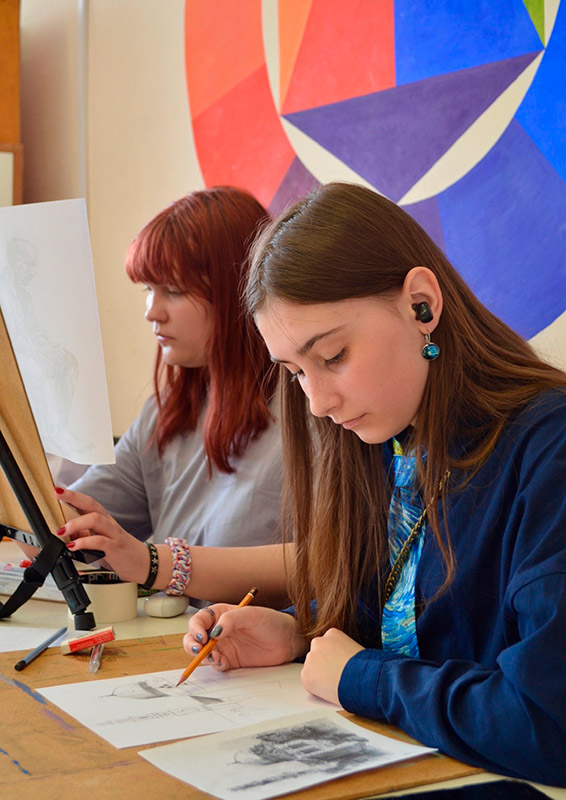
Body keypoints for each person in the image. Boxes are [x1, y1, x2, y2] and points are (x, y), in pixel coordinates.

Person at [181, 182, 566, 786]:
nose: (317, 402)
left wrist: (362, 677)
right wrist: (301, 632)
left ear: (421, 305)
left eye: (333, 356)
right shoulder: (395, 438)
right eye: (295, 372)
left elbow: (549, 722)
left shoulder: (550, 447)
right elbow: (412, 620)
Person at [54, 186, 284, 602]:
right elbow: (60, 533)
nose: (151, 312)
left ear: (239, 290)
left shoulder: (311, 407)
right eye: (148, 289)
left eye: (174, 291)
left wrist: (155, 563)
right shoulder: (165, 413)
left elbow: (330, 562)